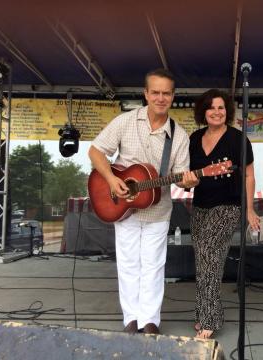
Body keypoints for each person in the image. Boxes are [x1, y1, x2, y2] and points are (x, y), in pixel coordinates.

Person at [88, 68, 198, 335]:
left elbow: (181, 175)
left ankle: (150, 321)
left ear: (173, 96)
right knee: (128, 264)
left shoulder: (179, 135)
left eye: (166, 93)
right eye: (155, 92)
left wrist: (188, 181)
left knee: (153, 265)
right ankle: (131, 320)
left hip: (158, 211)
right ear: (146, 93)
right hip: (122, 207)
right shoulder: (125, 122)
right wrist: (113, 181)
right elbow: (96, 150)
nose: (161, 98)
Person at [189, 89, 260, 339]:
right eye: (211, 108)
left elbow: (249, 175)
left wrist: (250, 209)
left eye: (221, 107)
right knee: (205, 260)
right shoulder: (194, 138)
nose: (216, 112)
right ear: (203, 112)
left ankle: (210, 318)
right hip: (200, 206)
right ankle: (204, 312)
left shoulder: (238, 139)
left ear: (227, 111)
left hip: (229, 206)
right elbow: (188, 176)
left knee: (208, 251)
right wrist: (187, 182)